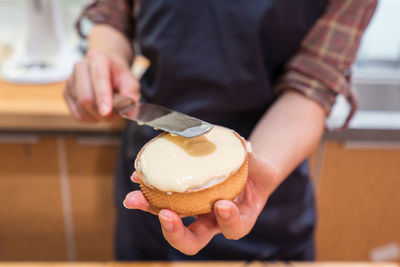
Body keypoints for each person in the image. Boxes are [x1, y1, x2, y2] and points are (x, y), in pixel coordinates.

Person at [65, 0, 377, 261]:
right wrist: (106, 62)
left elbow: (313, 82)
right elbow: (114, 15)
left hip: (265, 173)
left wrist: (249, 174)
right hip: (155, 176)